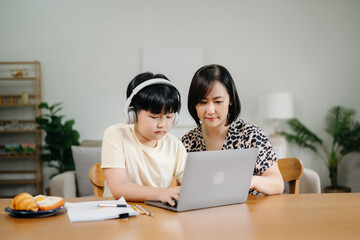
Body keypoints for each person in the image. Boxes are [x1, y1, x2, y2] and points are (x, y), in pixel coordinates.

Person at [181, 64, 284, 195]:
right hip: (205, 214)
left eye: (218, 101)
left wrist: (252, 181)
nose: (210, 110)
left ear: (230, 100)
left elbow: (277, 184)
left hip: (251, 213)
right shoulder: (187, 143)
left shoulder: (251, 135)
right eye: (202, 102)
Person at [101, 72, 186, 206]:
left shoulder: (175, 145)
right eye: (154, 117)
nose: (162, 124)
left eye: (169, 117)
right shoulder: (116, 135)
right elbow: (119, 188)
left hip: (159, 216)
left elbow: (190, 186)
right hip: (119, 215)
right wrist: (161, 193)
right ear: (133, 113)